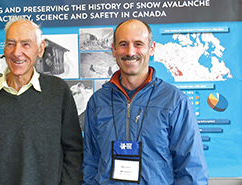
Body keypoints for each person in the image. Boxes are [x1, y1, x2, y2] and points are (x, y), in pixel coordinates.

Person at [82, 19, 208, 184]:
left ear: (152, 48)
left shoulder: (174, 101)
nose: (130, 51)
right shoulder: (97, 102)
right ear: (113, 50)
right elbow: (90, 163)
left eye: (138, 44)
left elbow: (191, 170)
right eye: (123, 44)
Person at [0, 19, 83, 185]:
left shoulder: (58, 91)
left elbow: (73, 151)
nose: (17, 52)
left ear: (40, 49)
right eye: (11, 44)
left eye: (26, 44)